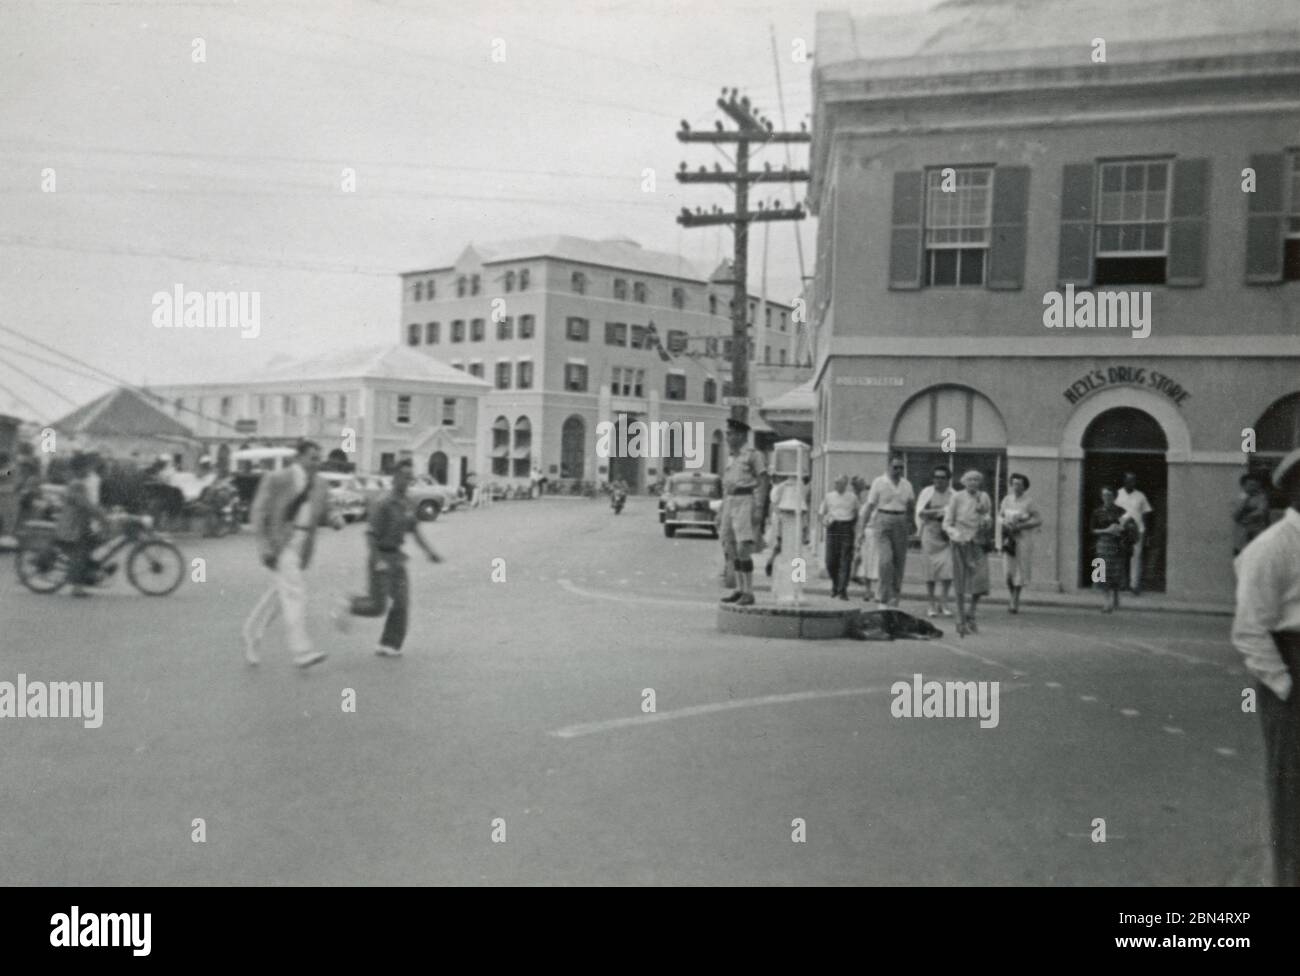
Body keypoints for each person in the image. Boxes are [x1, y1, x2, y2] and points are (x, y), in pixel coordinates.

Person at [1232, 448, 1300, 885]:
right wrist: (1285, 685)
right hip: (1291, 670)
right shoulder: (1272, 548)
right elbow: (1249, 630)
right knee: (1292, 789)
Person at [242, 440, 341, 669]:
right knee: (295, 592)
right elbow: (258, 512)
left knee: (279, 596)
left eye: (319, 458)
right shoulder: (277, 479)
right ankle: (301, 651)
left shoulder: (321, 485)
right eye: (312, 457)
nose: (317, 462)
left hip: (302, 545)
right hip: (279, 543)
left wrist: (335, 518)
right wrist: (263, 545)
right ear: (299, 457)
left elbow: (327, 508)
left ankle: (251, 633)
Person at [334, 459, 440, 657]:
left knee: (401, 603)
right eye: (404, 476)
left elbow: (414, 530)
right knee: (377, 606)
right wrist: (377, 560)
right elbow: (370, 535)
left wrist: (429, 551)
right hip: (380, 556)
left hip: (397, 557)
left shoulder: (407, 503)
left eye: (410, 477)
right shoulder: (383, 503)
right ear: (395, 478)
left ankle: (389, 644)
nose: (408, 481)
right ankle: (351, 604)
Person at [719, 417, 768, 607]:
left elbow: (763, 480)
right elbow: (727, 485)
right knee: (729, 546)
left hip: (745, 501)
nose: (727, 437)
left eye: (730, 434)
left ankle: (749, 591)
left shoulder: (753, 455)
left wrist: (759, 507)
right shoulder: (733, 456)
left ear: (740, 435)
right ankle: (739, 589)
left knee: (743, 548)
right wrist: (721, 510)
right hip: (730, 501)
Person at [859, 456, 915, 607]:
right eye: (895, 467)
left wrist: (912, 523)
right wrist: (862, 529)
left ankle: (895, 596)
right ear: (888, 467)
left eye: (900, 468)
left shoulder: (906, 484)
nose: (898, 471)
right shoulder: (879, 482)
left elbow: (911, 505)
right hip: (883, 518)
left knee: (899, 561)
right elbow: (870, 506)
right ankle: (883, 596)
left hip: (901, 520)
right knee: (885, 560)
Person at [943, 469, 992, 637]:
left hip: (978, 541)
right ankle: (960, 618)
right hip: (961, 542)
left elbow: (988, 518)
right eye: (970, 480)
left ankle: (972, 612)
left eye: (977, 480)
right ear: (964, 482)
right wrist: (955, 535)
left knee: (980, 580)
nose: (973, 483)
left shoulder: (984, 497)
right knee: (960, 581)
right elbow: (947, 522)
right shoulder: (956, 497)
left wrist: (985, 520)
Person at [55, 452, 106, 598]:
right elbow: (87, 505)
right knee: (81, 552)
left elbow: (89, 505)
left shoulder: (77, 483)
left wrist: (101, 514)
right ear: (79, 469)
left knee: (92, 543)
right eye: (86, 468)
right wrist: (103, 516)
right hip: (72, 527)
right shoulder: (77, 485)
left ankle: (91, 572)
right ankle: (77, 587)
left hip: (78, 524)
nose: (88, 471)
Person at [1000, 473, 1042, 614]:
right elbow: (1000, 516)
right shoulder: (1006, 499)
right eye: (1014, 484)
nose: (1016, 487)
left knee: (1020, 570)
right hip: (1009, 539)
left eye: (1019, 484)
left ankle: (1015, 600)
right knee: (1008, 572)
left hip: (1023, 539)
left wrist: (1021, 525)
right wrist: (1005, 524)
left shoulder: (1029, 502)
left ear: (1025, 487)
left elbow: (1038, 520)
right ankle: (1012, 594)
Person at [914, 466, 954, 617]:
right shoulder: (927, 492)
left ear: (948, 480)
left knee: (947, 570)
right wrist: (939, 512)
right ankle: (931, 604)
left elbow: (956, 513)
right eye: (936, 477)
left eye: (942, 477)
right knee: (930, 571)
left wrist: (946, 516)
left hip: (946, 536)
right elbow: (920, 512)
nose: (938, 480)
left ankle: (943, 602)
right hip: (930, 535)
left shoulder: (953, 495)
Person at [1090, 486, 1132, 613]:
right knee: (1102, 573)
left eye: (1109, 495)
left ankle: (1115, 597)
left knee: (1116, 572)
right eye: (1104, 495)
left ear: (1114, 497)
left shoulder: (1120, 511)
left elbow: (1128, 526)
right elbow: (1092, 530)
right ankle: (1106, 602)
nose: (1107, 498)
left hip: (1117, 544)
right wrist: (1106, 530)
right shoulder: (1097, 512)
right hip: (1103, 544)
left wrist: (1120, 529)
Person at [820, 474, 858, 600]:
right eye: (835, 483)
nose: (837, 485)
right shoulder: (829, 496)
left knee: (845, 559)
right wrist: (824, 522)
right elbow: (821, 513)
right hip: (833, 527)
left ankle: (843, 590)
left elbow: (857, 513)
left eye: (840, 483)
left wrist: (852, 526)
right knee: (830, 560)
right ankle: (835, 584)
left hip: (846, 527)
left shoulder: (852, 497)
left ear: (845, 484)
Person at [1116, 472, 1153, 596]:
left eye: (1133, 480)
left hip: (1138, 531)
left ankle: (1134, 585)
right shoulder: (1118, 494)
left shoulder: (1140, 496)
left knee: (1136, 558)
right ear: (1124, 481)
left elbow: (1146, 513)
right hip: (1122, 530)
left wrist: (1146, 532)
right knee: (1120, 556)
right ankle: (1121, 583)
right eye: (1128, 480)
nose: (1130, 483)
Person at [1233, 472, 1272, 555]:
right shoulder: (1238, 498)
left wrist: (1248, 517)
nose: (1254, 487)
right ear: (1243, 486)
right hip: (1242, 539)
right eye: (1251, 485)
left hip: (1257, 537)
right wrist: (1244, 501)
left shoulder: (1262, 497)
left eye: (1256, 485)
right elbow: (1235, 515)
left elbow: (1261, 512)